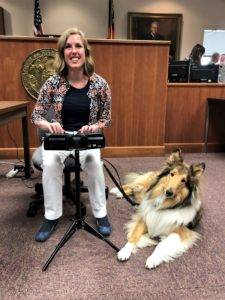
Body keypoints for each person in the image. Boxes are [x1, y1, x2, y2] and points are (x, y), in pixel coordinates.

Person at [31, 27, 112, 242]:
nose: (73, 51)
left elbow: (106, 118)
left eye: (78, 46)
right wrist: (50, 126)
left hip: (86, 137)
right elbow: (36, 116)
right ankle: (51, 216)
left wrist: (94, 127)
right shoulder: (52, 83)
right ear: (62, 53)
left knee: (94, 162)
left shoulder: (100, 84)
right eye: (68, 46)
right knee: (49, 163)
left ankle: (100, 214)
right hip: (60, 137)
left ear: (86, 52)